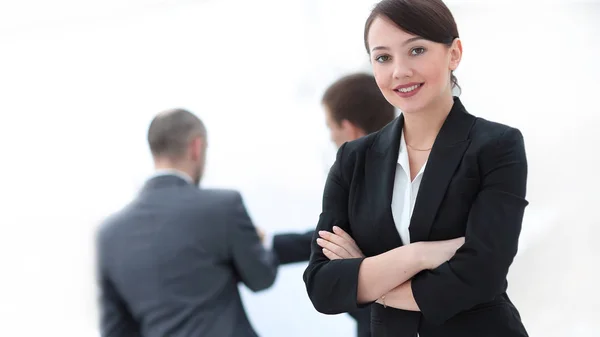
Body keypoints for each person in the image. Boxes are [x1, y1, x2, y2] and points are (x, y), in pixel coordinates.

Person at [303, 1, 529, 336]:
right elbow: (322, 286)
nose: (399, 71)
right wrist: (419, 256)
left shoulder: (496, 146)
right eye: (383, 57)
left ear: (454, 54)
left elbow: (481, 277)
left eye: (417, 50)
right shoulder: (353, 159)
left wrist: (366, 275)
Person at [96, 109, 278, 337]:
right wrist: (261, 244)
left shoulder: (108, 235)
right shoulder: (223, 206)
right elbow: (261, 278)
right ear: (196, 147)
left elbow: (116, 330)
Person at [271, 73, 395, 337]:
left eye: (330, 127)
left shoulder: (357, 182)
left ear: (349, 129)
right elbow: (333, 241)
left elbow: (331, 243)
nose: (330, 138)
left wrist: (360, 267)